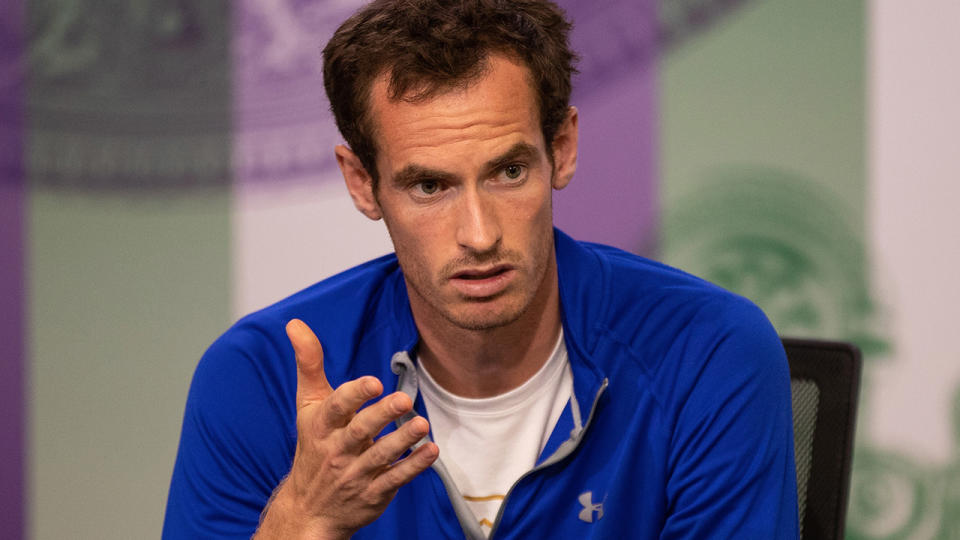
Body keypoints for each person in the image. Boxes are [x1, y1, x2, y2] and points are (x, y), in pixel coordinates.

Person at [163, 0, 799, 538]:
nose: (479, 234)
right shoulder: (258, 377)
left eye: (509, 172)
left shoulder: (710, 351)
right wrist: (304, 519)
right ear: (363, 183)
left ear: (563, 149)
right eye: (430, 186)